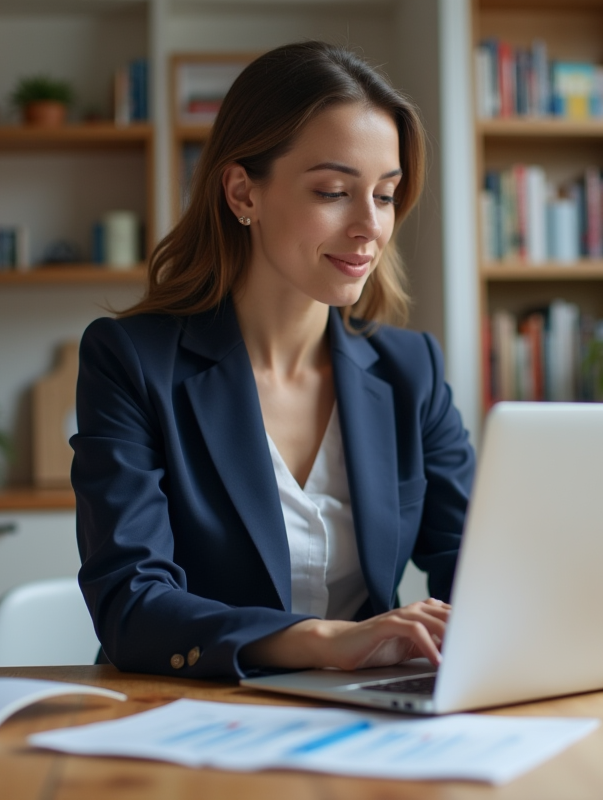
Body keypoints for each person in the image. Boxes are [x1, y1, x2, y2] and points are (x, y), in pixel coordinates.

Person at [71, 41, 475, 681]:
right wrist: (321, 641)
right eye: (335, 191)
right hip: (188, 714)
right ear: (242, 193)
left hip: (370, 715)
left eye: (387, 195)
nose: (370, 226)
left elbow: (475, 565)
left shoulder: (409, 369)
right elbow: (133, 603)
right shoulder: (130, 362)